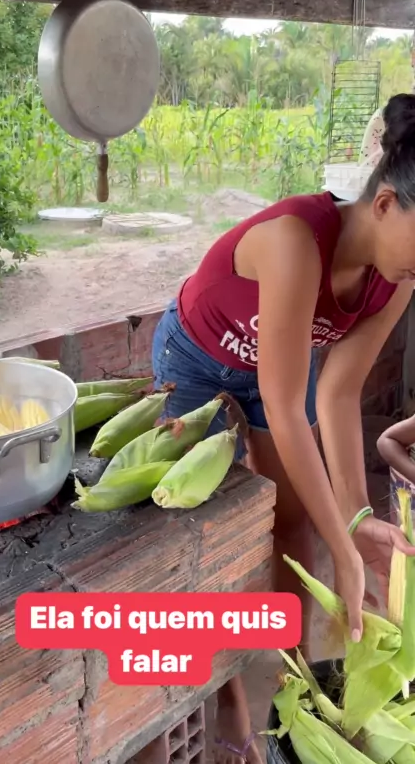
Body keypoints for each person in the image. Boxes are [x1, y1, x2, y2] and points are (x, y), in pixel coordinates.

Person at [151, 92, 415, 764]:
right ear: (386, 203)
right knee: (201, 535)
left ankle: (292, 682)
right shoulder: (298, 241)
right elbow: (289, 403)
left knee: (294, 526)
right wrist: (345, 551)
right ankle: (228, 697)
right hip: (197, 360)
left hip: (275, 369)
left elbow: (338, 392)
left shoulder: (397, 276)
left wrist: (355, 521)